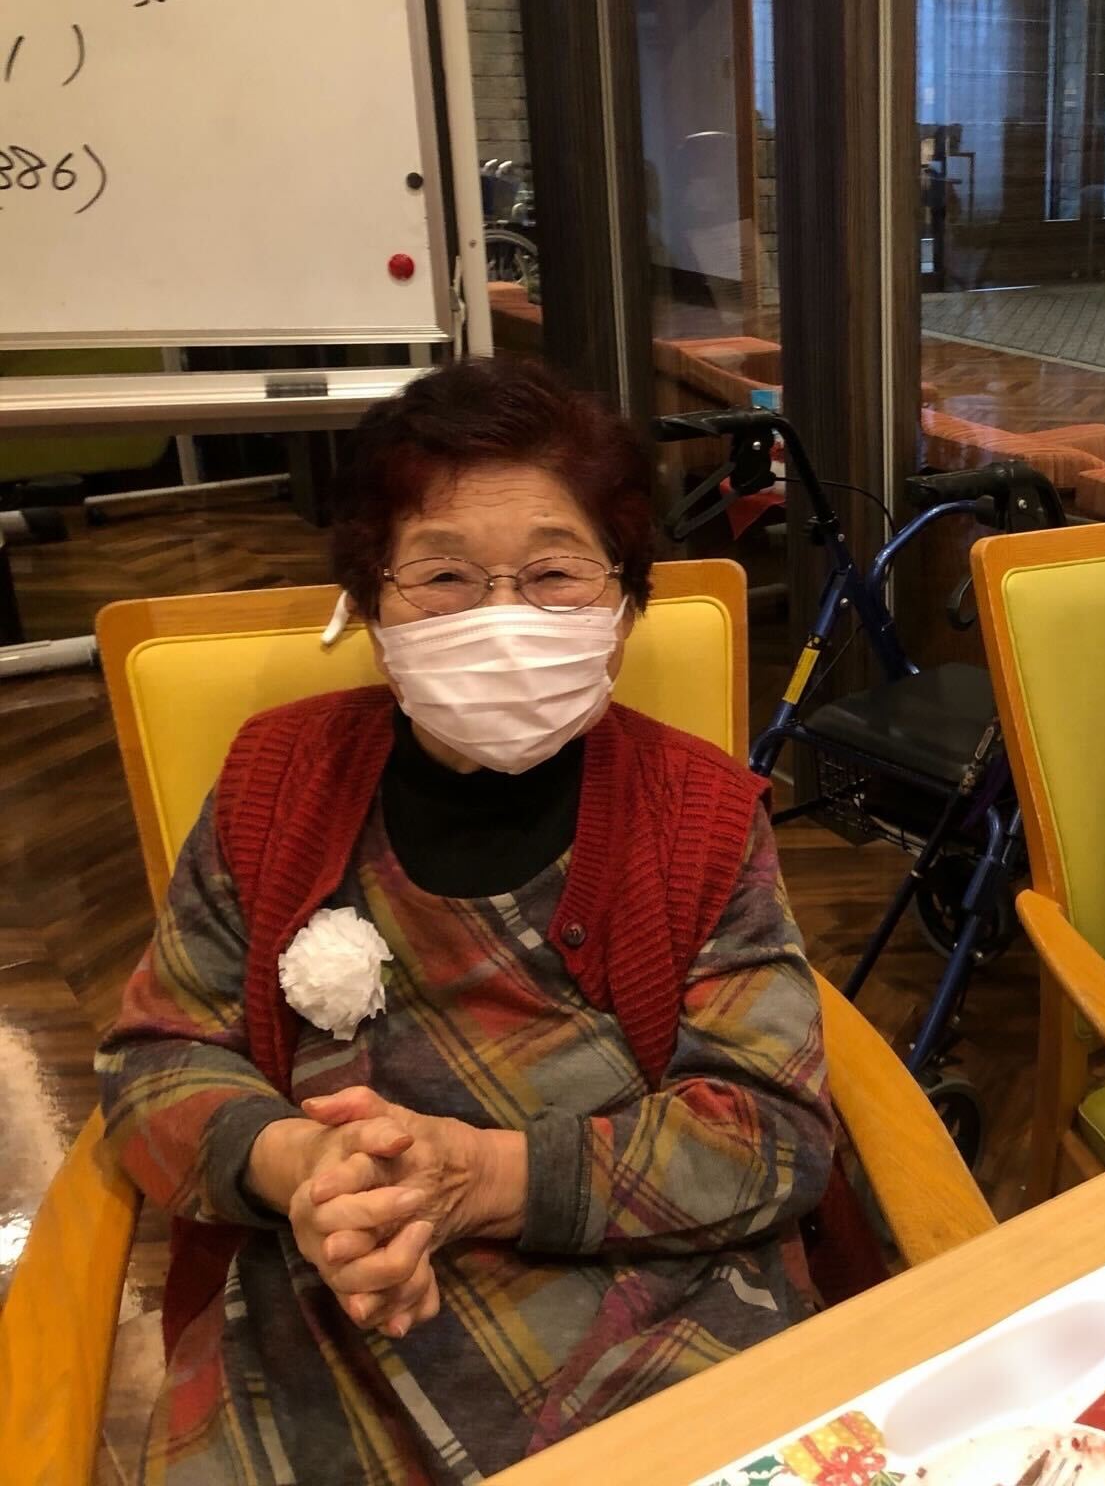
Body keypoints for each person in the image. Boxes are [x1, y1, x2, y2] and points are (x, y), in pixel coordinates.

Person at [96, 359, 834, 1482]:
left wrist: (483, 1176)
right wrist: (304, 1168)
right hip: (334, 1275)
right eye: (442, 574)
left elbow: (771, 1134)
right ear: (369, 606)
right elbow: (156, 1059)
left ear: (625, 606)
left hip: (652, 1270)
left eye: (554, 572)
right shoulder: (276, 780)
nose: (501, 618)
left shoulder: (701, 812)